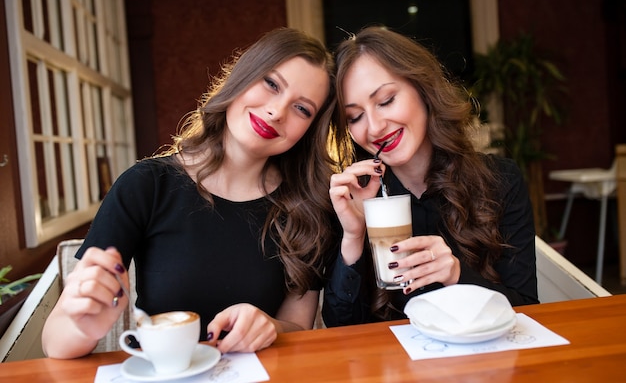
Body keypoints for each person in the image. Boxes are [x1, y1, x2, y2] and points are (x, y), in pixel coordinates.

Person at [42, 27, 350, 358]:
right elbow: (54, 340)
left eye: (302, 109)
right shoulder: (146, 184)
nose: (277, 111)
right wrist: (82, 327)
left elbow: (298, 326)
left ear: (310, 129)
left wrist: (272, 326)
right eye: (271, 84)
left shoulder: (310, 205)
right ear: (243, 76)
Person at [322, 26, 539, 327]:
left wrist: (457, 275)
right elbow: (341, 329)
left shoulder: (500, 181)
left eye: (386, 100)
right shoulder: (354, 197)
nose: (374, 128)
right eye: (354, 117)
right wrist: (354, 235)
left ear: (423, 89)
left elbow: (528, 310)